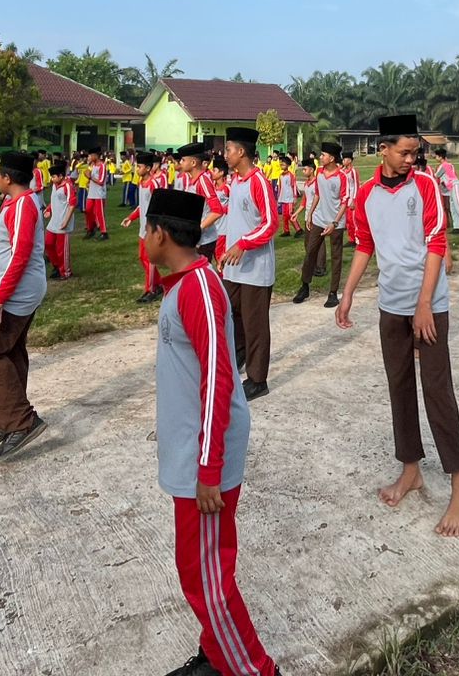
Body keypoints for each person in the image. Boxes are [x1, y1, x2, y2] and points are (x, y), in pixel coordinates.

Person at [145, 189, 280, 676]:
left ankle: (253, 669)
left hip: (205, 459)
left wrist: (208, 468)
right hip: (191, 450)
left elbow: (219, 380)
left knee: (207, 579)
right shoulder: (184, 284)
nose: (143, 238)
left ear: (160, 234)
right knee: (200, 569)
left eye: (146, 229)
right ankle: (218, 651)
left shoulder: (200, 289)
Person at [338, 113, 459, 538]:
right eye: (405, 152)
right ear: (384, 149)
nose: (413, 159)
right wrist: (348, 292)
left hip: (428, 304)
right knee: (399, 386)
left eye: (417, 152)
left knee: (437, 390)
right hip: (390, 306)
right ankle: (410, 469)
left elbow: (436, 241)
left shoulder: (426, 185)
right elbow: (364, 244)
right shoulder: (366, 195)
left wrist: (425, 303)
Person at [0, 151, 50, 462]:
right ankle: (8, 419)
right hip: (15, 289)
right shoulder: (20, 203)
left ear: (7, 178)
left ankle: (21, 422)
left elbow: (19, 255)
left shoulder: (23, 205)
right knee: (11, 351)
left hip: (14, 292)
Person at [218, 126, 277, 401]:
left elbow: (270, 224)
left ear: (241, 152)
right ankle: (240, 356)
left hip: (256, 268)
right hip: (235, 266)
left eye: (228, 149)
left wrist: (243, 243)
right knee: (231, 313)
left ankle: (257, 379)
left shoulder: (258, 182)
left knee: (256, 325)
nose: (225, 154)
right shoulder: (236, 182)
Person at [296, 142, 351, 307]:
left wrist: (334, 222)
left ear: (332, 158)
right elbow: (317, 195)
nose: (320, 157)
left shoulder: (342, 177)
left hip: (336, 222)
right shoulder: (319, 172)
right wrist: (310, 214)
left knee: (336, 256)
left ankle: (333, 292)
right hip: (319, 219)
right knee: (310, 251)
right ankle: (305, 286)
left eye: (323, 155)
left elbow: (344, 201)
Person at [124, 151, 164, 303]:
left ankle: (151, 289)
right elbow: (142, 206)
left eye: (139, 166)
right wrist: (131, 218)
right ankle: (158, 283)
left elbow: (159, 206)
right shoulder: (141, 183)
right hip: (143, 227)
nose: (136, 169)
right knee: (142, 257)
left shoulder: (154, 184)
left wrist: (157, 227)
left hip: (151, 229)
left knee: (150, 259)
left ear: (147, 168)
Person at [43, 165, 75, 281]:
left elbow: (72, 204)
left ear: (61, 176)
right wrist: (49, 209)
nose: (52, 179)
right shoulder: (55, 185)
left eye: (54, 177)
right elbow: (55, 200)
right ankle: (56, 266)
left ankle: (66, 271)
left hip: (62, 222)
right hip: (54, 221)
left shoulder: (67, 185)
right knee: (48, 244)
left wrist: (66, 221)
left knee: (62, 249)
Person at [82, 146, 110, 241]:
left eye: (91, 155)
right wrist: (88, 180)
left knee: (99, 213)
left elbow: (101, 181)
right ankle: (91, 229)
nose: (89, 157)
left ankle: (104, 232)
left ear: (96, 155)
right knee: (88, 211)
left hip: (99, 193)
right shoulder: (93, 165)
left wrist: (90, 178)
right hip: (91, 192)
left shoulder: (102, 165)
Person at [275, 162, 298, 237]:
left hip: (290, 198)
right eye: (281, 164)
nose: (282, 166)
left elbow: (294, 186)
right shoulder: (280, 175)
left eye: (284, 164)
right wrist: (279, 198)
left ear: (288, 165)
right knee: (284, 215)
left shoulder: (291, 175)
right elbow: (280, 187)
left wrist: (295, 197)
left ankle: (298, 229)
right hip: (283, 198)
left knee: (290, 214)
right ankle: (286, 231)